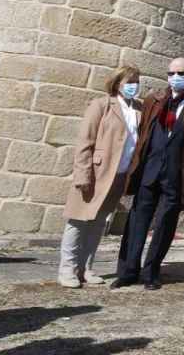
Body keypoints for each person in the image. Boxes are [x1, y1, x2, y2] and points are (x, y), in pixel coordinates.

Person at [111, 57, 184, 290]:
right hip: (150, 169)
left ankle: (151, 272)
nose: (175, 78)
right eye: (171, 73)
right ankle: (128, 271)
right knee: (137, 220)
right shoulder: (155, 100)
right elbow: (144, 132)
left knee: (166, 224)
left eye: (181, 73)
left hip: (177, 173)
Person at [58, 65, 142, 288]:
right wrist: (82, 173)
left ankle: (85, 268)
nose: (134, 86)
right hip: (96, 173)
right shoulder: (101, 105)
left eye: (137, 82)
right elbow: (85, 142)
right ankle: (67, 269)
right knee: (78, 220)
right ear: (117, 83)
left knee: (99, 223)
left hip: (119, 175)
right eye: (129, 82)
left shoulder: (138, 109)